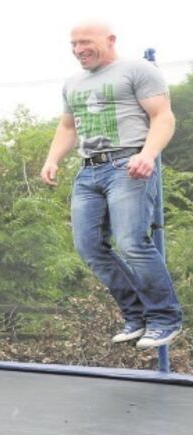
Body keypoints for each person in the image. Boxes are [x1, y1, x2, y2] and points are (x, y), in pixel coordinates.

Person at [40, 22, 182, 349]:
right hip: (88, 171)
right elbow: (67, 127)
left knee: (132, 242)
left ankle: (164, 318)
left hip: (128, 165)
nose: (78, 50)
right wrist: (52, 159)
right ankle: (136, 316)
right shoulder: (72, 83)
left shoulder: (137, 70)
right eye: (74, 44)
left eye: (85, 42)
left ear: (110, 40)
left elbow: (163, 117)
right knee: (88, 246)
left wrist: (148, 154)